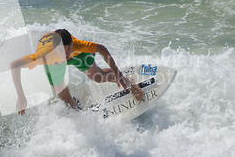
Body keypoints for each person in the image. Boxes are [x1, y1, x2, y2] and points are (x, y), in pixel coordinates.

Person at [10, 29, 143, 115]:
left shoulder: (76, 46)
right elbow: (14, 65)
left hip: (77, 56)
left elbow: (102, 49)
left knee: (98, 76)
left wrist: (117, 74)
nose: (66, 54)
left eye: (69, 49)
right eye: (62, 50)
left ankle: (128, 81)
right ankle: (76, 109)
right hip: (53, 63)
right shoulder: (43, 56)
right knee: (62, 95)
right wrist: (20, 96)